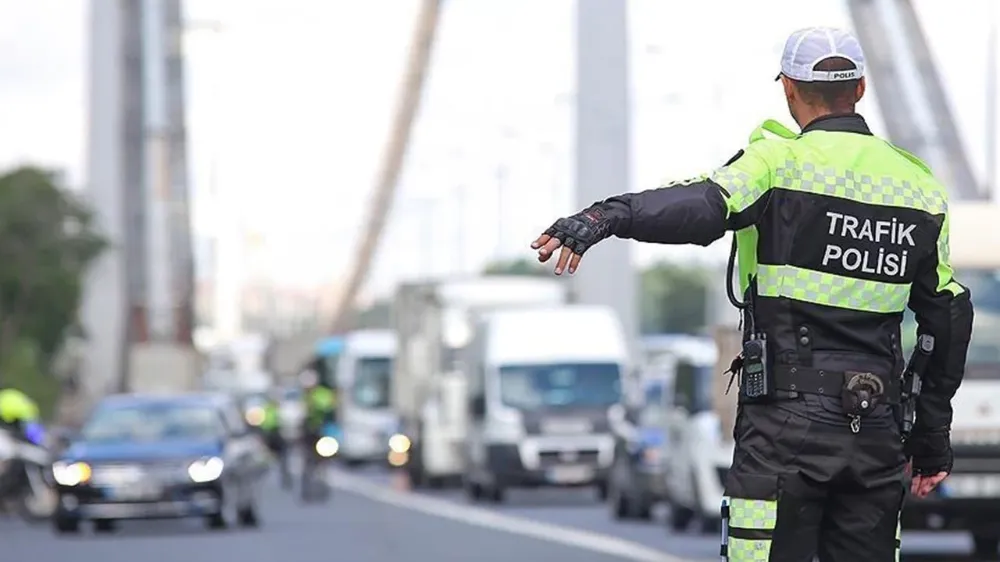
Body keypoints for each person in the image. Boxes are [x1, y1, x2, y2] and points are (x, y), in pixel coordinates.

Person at [530, 27, 973, 561]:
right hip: (875, 430)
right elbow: (948, 318)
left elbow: (700, 207)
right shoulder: (919, 186)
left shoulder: (776, 163)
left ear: (789, 88)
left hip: (785, 430)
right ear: (860, 88)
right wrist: (930, 439)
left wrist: (606, 217)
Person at [260, 389, 291, 490]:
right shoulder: (267, 409)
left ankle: (284, 476)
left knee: (283, 457)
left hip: (280, 436)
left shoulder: (282, 410)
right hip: (271, 436)